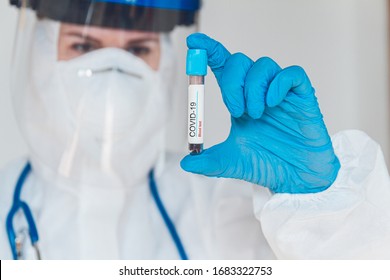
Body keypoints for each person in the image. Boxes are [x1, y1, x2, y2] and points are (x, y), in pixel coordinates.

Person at [1, 0, 390, 260]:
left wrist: (322, 207)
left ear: (168, 65)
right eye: (83, 45)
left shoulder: (226, 206)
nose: (113, 72)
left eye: (138, 51)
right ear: (37, 56)